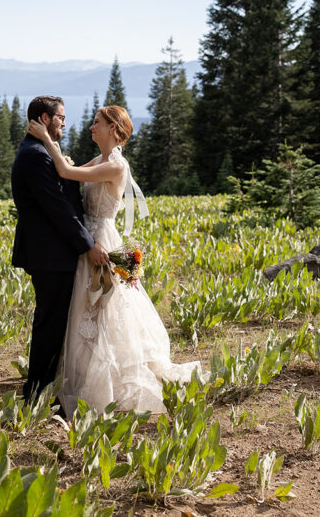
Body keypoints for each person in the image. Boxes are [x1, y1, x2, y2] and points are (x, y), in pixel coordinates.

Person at [27, 105, 200, 418]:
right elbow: (73, 170)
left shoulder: (116, 165)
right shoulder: (103, 160)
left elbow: (68, 173)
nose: (92, 128)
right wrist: (62, 158)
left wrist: (45, 139)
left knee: (103, 308)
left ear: (114, 129)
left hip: (101, 241)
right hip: (88, 238)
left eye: (97, 123)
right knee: (87, 310)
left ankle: (104, 383)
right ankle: (75, 375)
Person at [12, 96, 109, 404]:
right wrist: (89, 244)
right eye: (61, 117)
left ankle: (45, 391)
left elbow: (63, 195)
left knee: (54, 324)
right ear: (45, 118)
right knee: (50, 326)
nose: (65, 122)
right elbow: (58, 209)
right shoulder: (35, 156)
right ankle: (37, 395)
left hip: (52, 254)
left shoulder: (39, 152)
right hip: (50, 255)